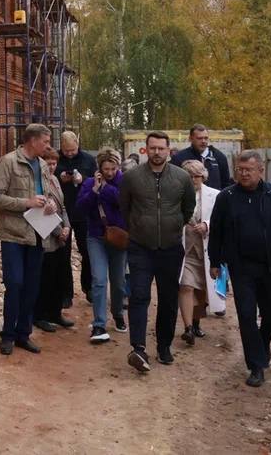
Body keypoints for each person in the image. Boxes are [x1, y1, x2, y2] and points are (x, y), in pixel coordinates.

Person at [208, 150, 271, 387]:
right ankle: (256, 365)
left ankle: (261, 346)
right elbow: (217, 231)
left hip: (270, 266)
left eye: (248, 170)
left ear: (261, 170)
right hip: (241, 267)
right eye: (240, 170)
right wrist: (214, 261)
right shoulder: (227, 197)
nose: (243, 174)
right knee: (247, 315)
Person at [118, 131, 196, 373]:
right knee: (139, 295)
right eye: (152, 148)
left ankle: (164, 346)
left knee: (168, 299)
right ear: (146, 149)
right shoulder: (132, 177)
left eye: (161, 148)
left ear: (169, 150)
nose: (157, 152)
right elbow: (125, 208)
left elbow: (188, 208)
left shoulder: (182, 178)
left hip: (171, 248)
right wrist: (140, 227)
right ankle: (139, 348)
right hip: (141, 247)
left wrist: (173, 226)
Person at [0, 123, 57, 356]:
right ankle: (8, 335)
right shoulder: (8, 162)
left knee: (31, 286)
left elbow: (47, 192)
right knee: (15, 284)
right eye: (45, 142)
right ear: (32, 140)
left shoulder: (44, 165)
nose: (48, 146)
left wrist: (50, 203)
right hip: (14, 233)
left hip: (38, 231)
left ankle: (23, 335)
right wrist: (25, 203)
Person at [76, 147, 128, 343]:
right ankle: (99, 324)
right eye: (106, 169)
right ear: (99, 168)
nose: (109, 172)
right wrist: (94, 191)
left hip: (119, 237)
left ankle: (118, 314)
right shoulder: (90, 183)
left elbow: (122, 202)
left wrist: (105, 189)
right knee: (98, 279)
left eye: (113, 168)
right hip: (96, 236)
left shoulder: (124, 182)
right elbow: (81, 207)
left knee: (118, 281)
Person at [177, 159, 224, 346]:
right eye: (189, 176)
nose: (193, 179)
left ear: (203, 176)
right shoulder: (177, 195)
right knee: (186, 286)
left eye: (197, 176)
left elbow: (222, 221)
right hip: (185, 249)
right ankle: (188, 328)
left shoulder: (216, 195)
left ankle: (196, 322)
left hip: (206, 251)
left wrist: (207, 225)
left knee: (202, 290)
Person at [33, 147, 74, 332]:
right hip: (47, 235)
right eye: (48, 163)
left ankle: (55, 312)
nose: (51, 167)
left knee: (59, 275)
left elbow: (62, 206)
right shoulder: (38, 183)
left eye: (54, 163)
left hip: (60, 237)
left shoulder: (56, 180)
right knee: (46, 277)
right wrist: (58, 231)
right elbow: (41, 212)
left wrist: (66, 227)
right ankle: (40, 314)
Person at [56, 131, 97, 303]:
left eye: (72, 150)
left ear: (77, 144)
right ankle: (66, 294)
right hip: (62, 211)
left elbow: (96, 181)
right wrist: (61, 178)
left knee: (87, 252)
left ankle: (89, 288)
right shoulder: (56, 158)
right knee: (62, 253)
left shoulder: (88, 159)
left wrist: (83, 180)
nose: (70, 153)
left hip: (83, 211)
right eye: (66, 151)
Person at [172, 124, 234, 190]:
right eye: (199, 138)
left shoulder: (219, 157)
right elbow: (173, 182)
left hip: (214, 198)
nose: (203, 141)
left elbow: (226, 184)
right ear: (190, 139)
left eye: (206, 138)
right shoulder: (179, 157)